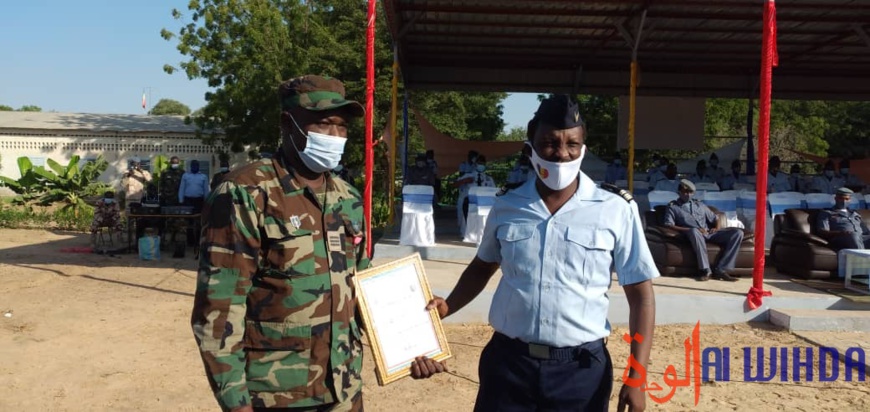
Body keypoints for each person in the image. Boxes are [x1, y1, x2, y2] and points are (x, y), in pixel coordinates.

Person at [191, 75, 441, 412]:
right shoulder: (246, 193)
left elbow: (363, 290)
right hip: (277, 394)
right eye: (323, 124)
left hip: (343, 389)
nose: (335, 136)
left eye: (342, 127)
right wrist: (236, 404)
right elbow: (218, 311)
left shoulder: (348, 198)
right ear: (286, 123)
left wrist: (414, 342)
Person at [427, 95, 657, 411]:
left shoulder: (616, 209)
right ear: (530, 148)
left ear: (583, 148)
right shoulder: (507, 205)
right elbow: (482, 267)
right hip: (509, 366)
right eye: (549, 143)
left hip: (581, 372)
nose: (562, 154)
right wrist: (447, 306)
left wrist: (637, 376)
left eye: (572, 144)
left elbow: (641, 297)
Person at [663, 180, 743, 282]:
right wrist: (691, 229)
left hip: (708, 233)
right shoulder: (673, 207)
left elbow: (716, 218)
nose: (688, 195)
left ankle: (722, 270)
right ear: (679, 192)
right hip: (692, 234)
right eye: (685, 192)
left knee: (737, 233)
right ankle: (706, 270)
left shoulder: (699, 204)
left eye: (690, 192)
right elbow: (669, 224)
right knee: (694, 232)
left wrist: (716, 228)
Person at [454, 155, 495, 234]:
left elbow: (494, 191)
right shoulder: (468, 175)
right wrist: (464, 181)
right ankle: (467, 232)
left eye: (482, 163)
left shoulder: (488, 178)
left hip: (483, 203)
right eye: (479, 163)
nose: (481, 165)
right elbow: (454, 185)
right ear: (476, 164)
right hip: (469, 201)